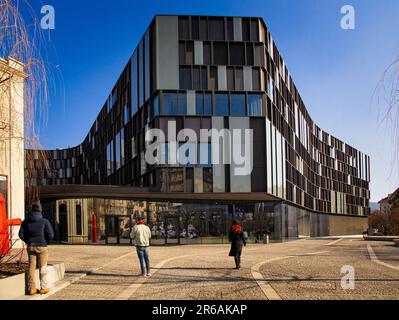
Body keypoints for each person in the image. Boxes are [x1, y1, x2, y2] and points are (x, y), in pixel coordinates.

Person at [19, 200, 54, 295]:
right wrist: (46, 242)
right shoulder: (44, 221)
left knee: (31, 267)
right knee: (43, 267)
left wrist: (28, 241)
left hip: (31, 246)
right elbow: (50, 234)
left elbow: (21, 234)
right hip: (42, 246)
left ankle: (32, 288)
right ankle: (43, 288)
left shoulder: (26, 221)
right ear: (40, 210)